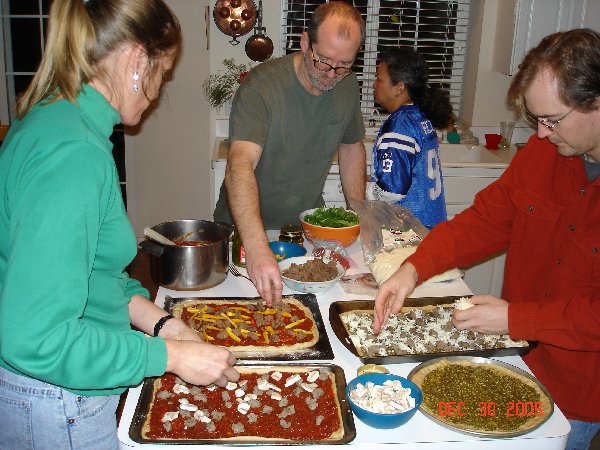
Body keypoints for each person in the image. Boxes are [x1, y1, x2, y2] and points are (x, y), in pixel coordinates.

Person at [0, 1, 239, 449]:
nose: (156, 94)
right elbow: (36, 337)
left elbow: (91, 276)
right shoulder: (73, 154)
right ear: (135, 59)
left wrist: (167, 326)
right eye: (161, 76)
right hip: (56, 399)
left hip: (54, 392)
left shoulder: (58, 119)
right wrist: (169, 357)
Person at [373, 29, 600, 450]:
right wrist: (413, 268)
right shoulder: (542, 152)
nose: (542, 135)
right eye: (537, 120)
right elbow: (483, 222)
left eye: (552, 120)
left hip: (580, 388)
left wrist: (517, 320)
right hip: (515, 360)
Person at [213, 2, 367, 304]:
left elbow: (351, 148)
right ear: (305, 42)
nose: (332, 74)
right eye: (324, 61)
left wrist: (359, 215)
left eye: (344, 65)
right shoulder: (262, 87)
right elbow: (239, 165)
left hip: (305, 234)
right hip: (245, 235)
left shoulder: (348, 85)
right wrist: (257, 247)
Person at [367, 47, 454, 229]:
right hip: (432, 224)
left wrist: (364, 189)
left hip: (410, 231)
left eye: (379, 79)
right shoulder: (419, 117)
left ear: (399, 87)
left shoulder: (399, 126)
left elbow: (391, 191)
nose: (374, 84)